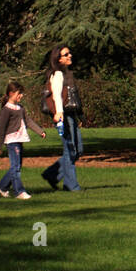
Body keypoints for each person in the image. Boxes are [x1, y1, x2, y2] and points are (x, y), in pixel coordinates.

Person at [40, 44, 84, 192]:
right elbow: (57, 95)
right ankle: (71, 185)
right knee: (71, 150)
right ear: (58, 59)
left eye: (69, 53)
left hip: (71, 115)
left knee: (78, 150)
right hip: (63, 115)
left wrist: (79, 115)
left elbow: (72, 97)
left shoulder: (66, 74)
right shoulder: (58, 74)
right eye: (66, 54)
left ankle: (52, 174)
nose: (69, 56)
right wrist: (59, 114)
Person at [0, 80, 46, 199]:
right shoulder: (6, 110)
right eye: (19, 93)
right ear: (11, 93)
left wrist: (40, 131)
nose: (21, 96)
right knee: (15, 168)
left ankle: (1, 187)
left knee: (16, 167)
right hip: (12, 141)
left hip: (19, 140)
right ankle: (19, 192)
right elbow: (1, 129)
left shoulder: (20, 108)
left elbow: (28, 121)